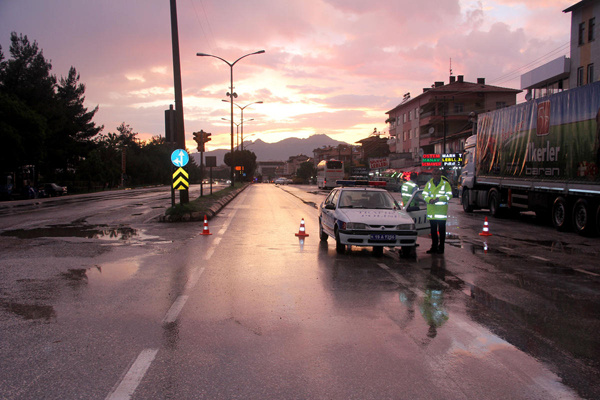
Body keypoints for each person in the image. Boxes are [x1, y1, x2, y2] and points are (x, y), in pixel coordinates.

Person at [423, 168, 452, 254]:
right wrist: (429, 200)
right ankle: (434, 247)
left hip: (441, 212)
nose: (436, 176)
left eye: (438, 174)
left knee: (442, 231)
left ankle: (441, 247)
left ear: (440, 175)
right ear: (432, 175)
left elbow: (449, 195)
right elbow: (424, 194)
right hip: (432, 212)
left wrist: (439, 199)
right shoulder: (428, 184)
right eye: (434, 174)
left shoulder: (445, 184)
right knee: (433, 231)